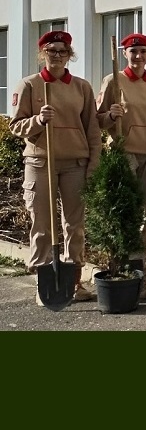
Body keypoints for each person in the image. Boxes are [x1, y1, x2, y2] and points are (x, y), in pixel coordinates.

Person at [10, 30, 102, 304]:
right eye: (52, 51)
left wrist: (93, 164)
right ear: (43, 54)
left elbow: (93, 129)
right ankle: (45, 285)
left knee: (75, 225)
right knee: (42, 225)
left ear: (70, 55)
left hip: (75, 162)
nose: (58, 56)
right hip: (40, 161)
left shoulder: (82, 87)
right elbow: (16, 126)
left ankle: (73, 282)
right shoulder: (29, 85)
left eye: (63, 51)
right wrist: (38, 121)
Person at [95, 32, 146, 299]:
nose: (138, 56)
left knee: (143, 216)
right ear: (125, 53)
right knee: (124, 213)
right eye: (133, 51)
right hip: (125, 153)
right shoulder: (114, 80)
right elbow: (98, 119)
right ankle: (120, 270)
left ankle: (138, 274)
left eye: (143, 51)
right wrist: (111, 116)